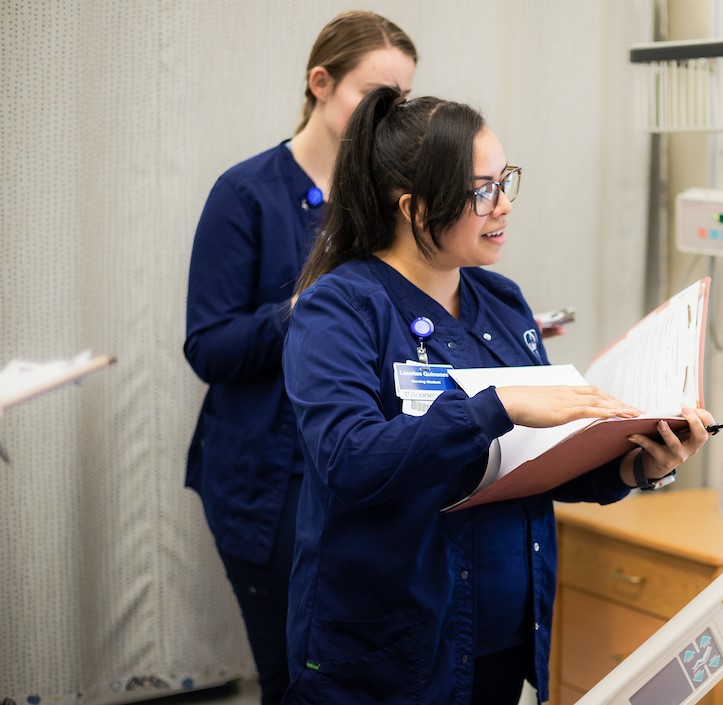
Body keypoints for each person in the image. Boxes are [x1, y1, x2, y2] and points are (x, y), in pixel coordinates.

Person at [280, 86, 716, 705]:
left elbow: (535, 465)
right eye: (482, 190)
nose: (504, 205)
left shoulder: (502, 302)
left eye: (505, 180)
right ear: (413, 207)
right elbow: (348, 460)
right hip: (390, 647)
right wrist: (497, 406)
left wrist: (636, 462)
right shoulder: (342, 308)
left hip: (501, 635)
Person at [182, 13, 417, 705]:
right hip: (268, 482)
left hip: (359, 470)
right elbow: (209, 346)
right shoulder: (246, 193)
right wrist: (306, 310)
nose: (388, 118)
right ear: (321, 83)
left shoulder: (384, 206)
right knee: (297, 679)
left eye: (400, 103)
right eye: (374, 97)